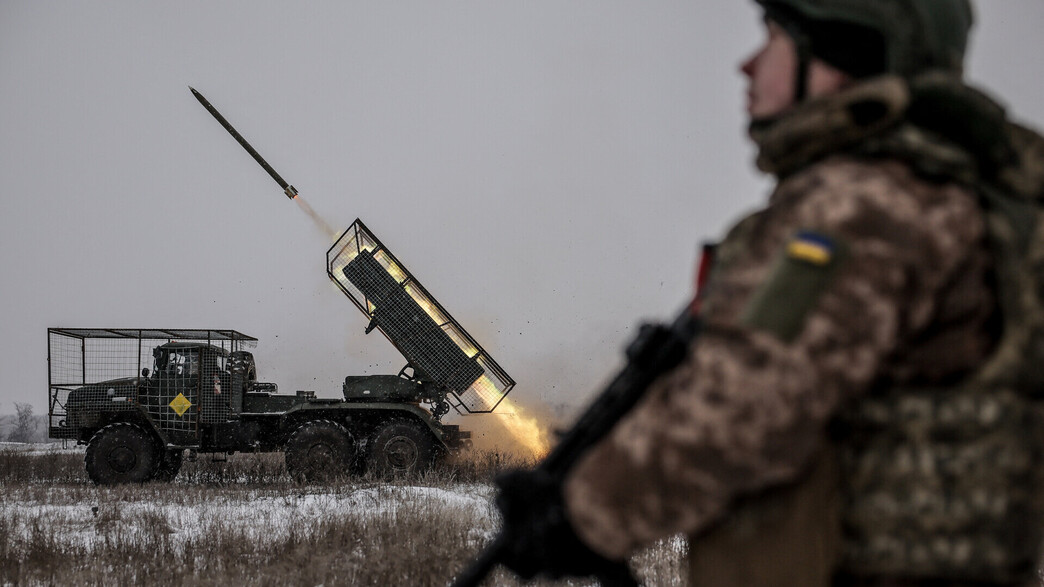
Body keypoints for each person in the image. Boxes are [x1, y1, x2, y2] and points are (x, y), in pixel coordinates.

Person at [494, 1, 1044, 585]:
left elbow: (747, 401)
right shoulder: (949, 193)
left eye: (775, 38)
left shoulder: (861, 206)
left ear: (843, 55)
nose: (747, 66)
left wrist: (584, 514)